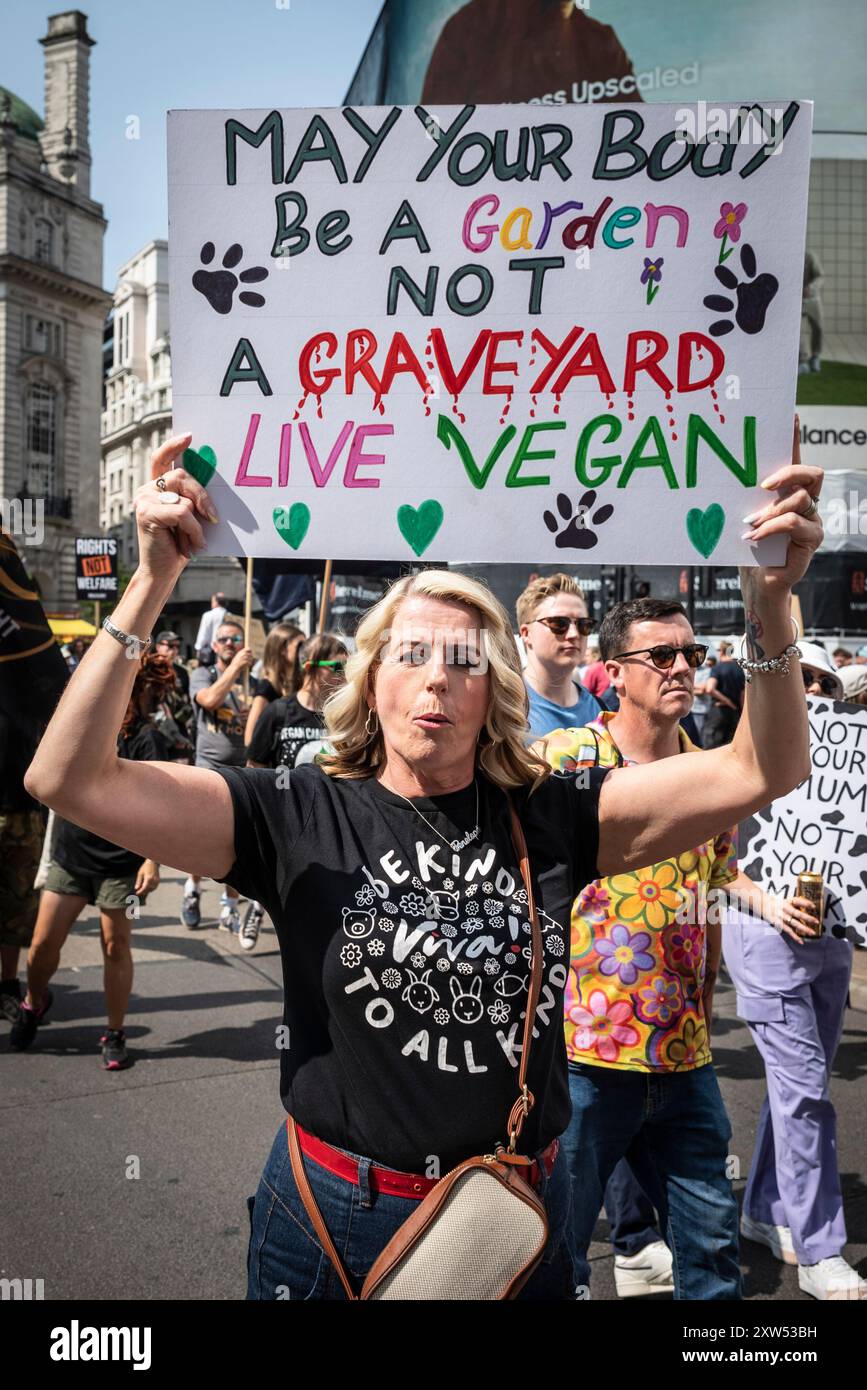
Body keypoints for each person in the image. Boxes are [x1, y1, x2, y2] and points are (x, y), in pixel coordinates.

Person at [23, 428, 822, 1300]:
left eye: (463, 661)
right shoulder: (294, 810)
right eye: (410, 655)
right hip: (331, 1220)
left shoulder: (552, 817)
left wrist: (769, 599)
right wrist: (151, 581)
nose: (436, 679)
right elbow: (64, 777)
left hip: (508, 1214)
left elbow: (761, 768)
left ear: (494, 693)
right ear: (371, 683)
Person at [539, 598, 738, 1299]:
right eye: (661, 655)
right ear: (613, 673)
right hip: (583, 1051)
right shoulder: (563, 758)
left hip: (685, 1050)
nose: (682, 666)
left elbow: (709, 890)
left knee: (711, 1241)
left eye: (692, 653)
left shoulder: (709, 772)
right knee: (556, 1242)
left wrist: (708, 1001)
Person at [722, 642, 864, 1300]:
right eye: (797, 676)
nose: (808, 688)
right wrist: (766, 902)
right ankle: (818, 1249)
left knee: (795, 1092)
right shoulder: (735, 759)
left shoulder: (848, 762)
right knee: (804, 1091)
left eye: (821, 682)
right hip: (763, 937)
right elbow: (706, 854)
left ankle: (759, 1209)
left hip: (830, 943)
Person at [11, 654, 173, 1068]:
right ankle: (33, 1001)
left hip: (121, 862)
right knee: (44, 947)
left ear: (132, 691)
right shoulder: (77, 722)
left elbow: (160, 807)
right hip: (71, 854)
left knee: (116, 945)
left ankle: (115, 1032)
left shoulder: (146, 738)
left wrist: (152, 860)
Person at [241, 631, 347, 950]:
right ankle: (257, 906)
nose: (345, 675)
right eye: (337, 667)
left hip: (328, 823)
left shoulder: (344, 715)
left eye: (348, 667)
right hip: (284, 820)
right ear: (312, 667)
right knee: (279, 883)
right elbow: (254, 767)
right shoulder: (278, 712)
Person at [422, 0, 642, 107]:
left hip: (586, 191)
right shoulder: (473, 26)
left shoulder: (599, 41)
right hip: (488, 190)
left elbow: (636, 128)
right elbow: (434, 129)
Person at [181, 617, 254, 932]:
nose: (229, 644)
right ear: (214, 645)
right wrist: (235, 669)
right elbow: (209, 700)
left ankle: (230, 907)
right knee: (201, 839)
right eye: (223, 640)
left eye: (235, 640)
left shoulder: (253, 679)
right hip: (208, 770)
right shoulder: (203, 673)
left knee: (234, 844)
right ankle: (193, 891)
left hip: (241, 771)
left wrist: (257, 714)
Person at [517, 573, 601, 738]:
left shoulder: (600, 710)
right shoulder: (501, 710)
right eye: (558, 623)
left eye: (583, 625)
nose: (573, 634)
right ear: (526, 633)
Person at [243, 621, 304, 751]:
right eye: (300, 645)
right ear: (282, 649)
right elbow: (250, 738)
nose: (305, 650)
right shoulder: (266, 688)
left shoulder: (300, 684)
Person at [152, 630, 195, 761]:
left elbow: (188, 699)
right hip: (157, 729)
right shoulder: (149, 668)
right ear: (158, 647)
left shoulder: (181, 671)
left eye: (177, 647)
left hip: (179, 729)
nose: (174, 650)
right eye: (170, 646)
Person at [702, 640, 745, 747]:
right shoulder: (739, 668)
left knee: (710, 745)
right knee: (730, 746)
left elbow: (709, 689)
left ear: (721, 651)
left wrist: (726, 701)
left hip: (719, 711)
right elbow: (743, 693)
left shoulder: (718, 667)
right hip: (735, 712)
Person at [798, 251, 824, 375]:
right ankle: (802, 362)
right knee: (799, 331)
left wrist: (811, 288)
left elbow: (820, 276)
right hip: (797, 301)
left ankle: (815, 356)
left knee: (818, 327)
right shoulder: (790, 255)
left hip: (813, 299)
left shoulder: (810, 257)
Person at [690, 651, 716, 746]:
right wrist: (694, 687)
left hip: (702, 710)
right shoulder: (691, 670)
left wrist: (689, 688)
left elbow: (703, 690)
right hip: (692, 709)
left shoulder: (707, 671)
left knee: (703, 737)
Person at [194, 591, 227, 663]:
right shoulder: (229, 615)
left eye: (212, 601)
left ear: (216, 602)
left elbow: (203, 633)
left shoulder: (208, 615)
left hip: (210, 650)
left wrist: (199, 647)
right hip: (225, 650)